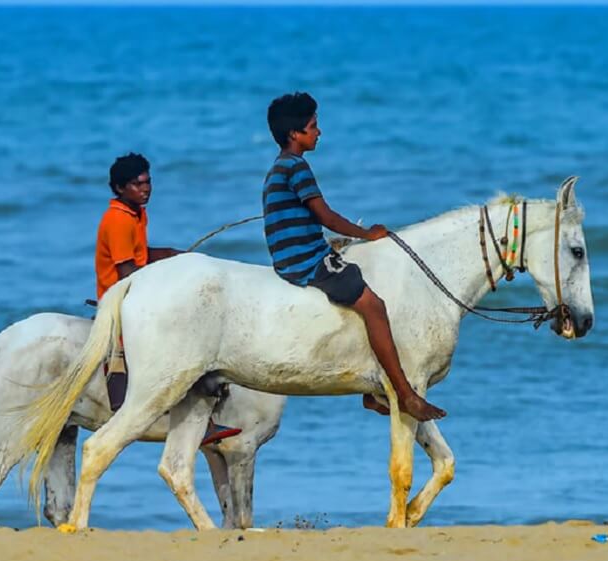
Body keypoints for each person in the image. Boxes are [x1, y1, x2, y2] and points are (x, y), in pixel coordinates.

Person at [263, 92, 446, 422]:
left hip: (293, 255)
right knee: (374, 305)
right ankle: (405, 395)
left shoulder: (278, 168)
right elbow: (326, 216)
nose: (319, 132)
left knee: (361, 277)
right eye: (313, 126)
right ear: (295, 134)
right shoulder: (298, 168)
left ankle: (374, 391)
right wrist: (366, 235)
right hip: (306, 261)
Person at [95, 153, 241, 444]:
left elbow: (141, 254)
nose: (146, 189)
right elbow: (128, 273)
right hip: (122, 295)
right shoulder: (119, 220)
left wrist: (174, 255)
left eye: (148, 182)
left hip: (134, 286)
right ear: (120, 188)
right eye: (138, 185)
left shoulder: (136, 212)